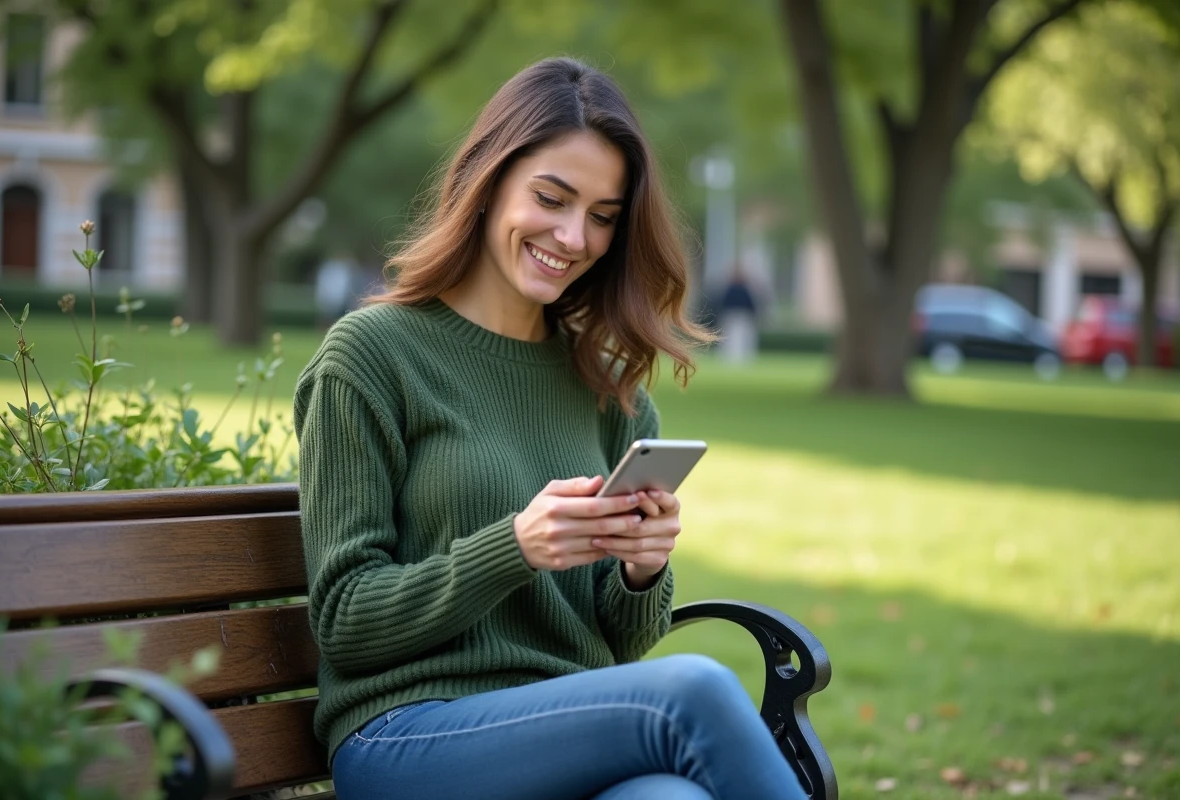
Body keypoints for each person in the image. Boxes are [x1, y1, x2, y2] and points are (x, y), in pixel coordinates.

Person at [293, 57, 807, 800]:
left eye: (603, 216)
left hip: (570, 735)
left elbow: (625, 644)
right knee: (692, 691)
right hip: (409, 738)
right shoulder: (372, 356)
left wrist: (642, 569)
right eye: (552, 197)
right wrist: (514, 547)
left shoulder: (607, 389)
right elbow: (344, 620)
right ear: (488, 178)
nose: (574, 237)